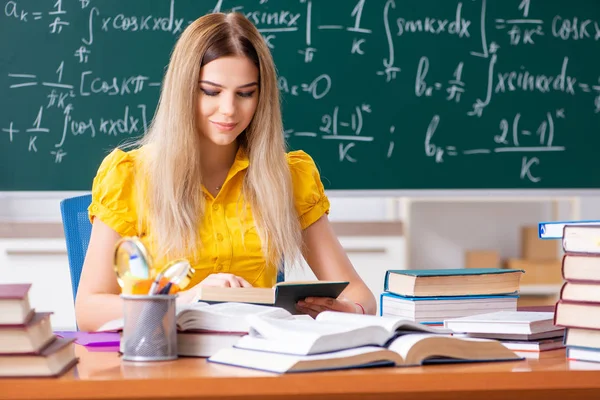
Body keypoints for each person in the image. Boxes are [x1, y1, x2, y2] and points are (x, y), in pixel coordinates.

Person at [75, 12, 376, 331]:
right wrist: (190, 300)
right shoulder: (130, 176)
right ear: (185, 90)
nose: (230, 109)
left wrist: (347, 309)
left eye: (246, 93)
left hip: (256, 361)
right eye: (211, 91)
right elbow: (89, 309)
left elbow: (361, 295)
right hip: (166, 363)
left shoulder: (288, 177)